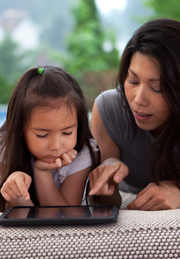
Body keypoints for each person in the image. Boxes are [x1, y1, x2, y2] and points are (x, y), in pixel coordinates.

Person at [89, 18, 180, 211]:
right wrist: (108, 176)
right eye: (133, 81)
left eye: (157, 88)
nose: (139, 100)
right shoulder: (109, 109)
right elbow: (103, 202)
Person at [0, 66, 99, 212]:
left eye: (67, 132)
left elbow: (67, 215)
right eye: (42, 135)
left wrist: (42, 173)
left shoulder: (81, 153)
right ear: (20, 129)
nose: (56, 146)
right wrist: (14, 194)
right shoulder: (5, 147)